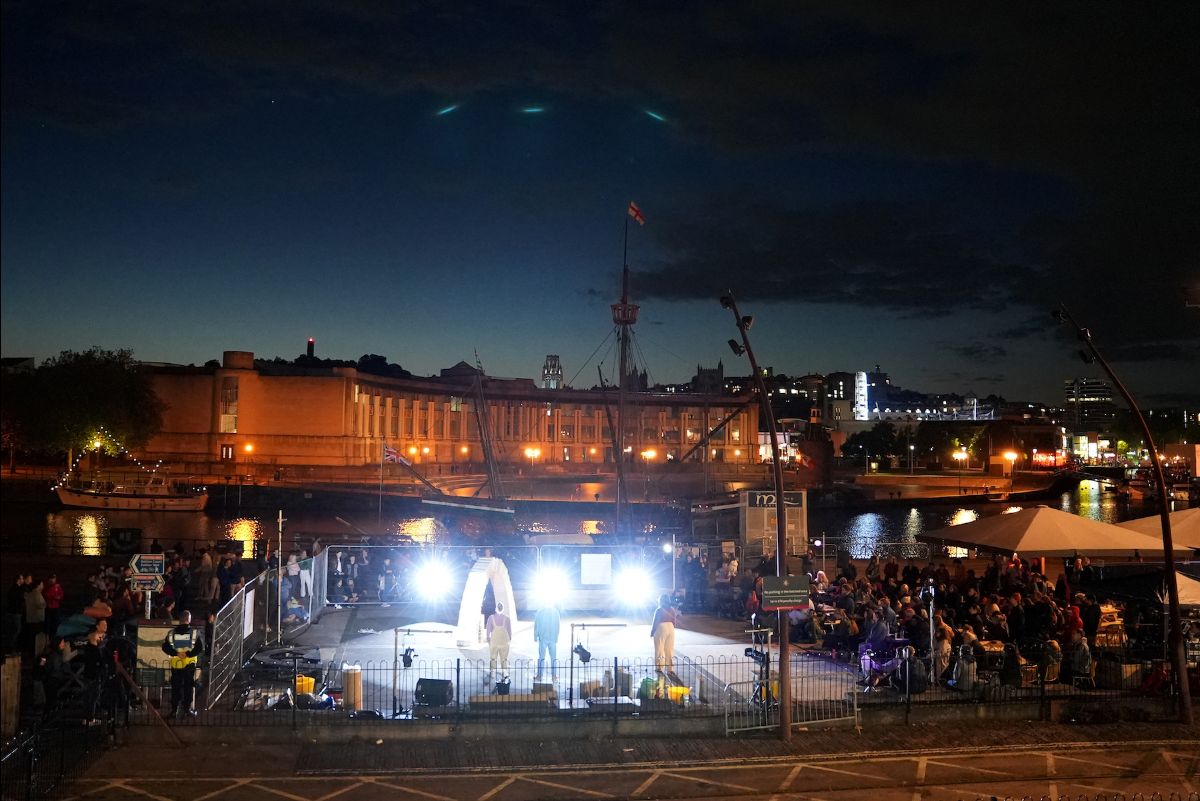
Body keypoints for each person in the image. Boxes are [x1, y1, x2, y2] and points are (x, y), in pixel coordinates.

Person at [161, 609, 204, 718]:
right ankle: (187, 709)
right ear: (188, 620)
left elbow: (165, 647)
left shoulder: (171, 633)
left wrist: (176, 653)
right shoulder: (194, 633)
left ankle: (174, 710)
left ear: (179, 620)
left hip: (176, 665)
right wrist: (188, 654)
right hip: (189, 665)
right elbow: (200, 648)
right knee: (188, 688)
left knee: (176, 688)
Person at [651, 593, 680, 670]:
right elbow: (674, 621)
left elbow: (655, 621)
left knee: (659, 648)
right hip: (670, 627)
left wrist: (652, 631)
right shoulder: (672, 609)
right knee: (669, 649)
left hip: (661, 627)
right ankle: (670, 668)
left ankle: (659, 667)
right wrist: (672, 628)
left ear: (660, 601)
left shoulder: (659, 610)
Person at [533, 602, 561, 680]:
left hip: (543, 638)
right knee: (553, 658)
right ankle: (554, 676)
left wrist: (536, 636)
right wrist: (556, 637)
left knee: (541, 657)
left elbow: (536, 625)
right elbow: (558, 625)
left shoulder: (540, 612)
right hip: (552, 638)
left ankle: (539, 676)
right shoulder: (555, 612)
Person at [486, 601, 512, 681]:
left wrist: (488, 638)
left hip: (494, 641)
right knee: (504, 658)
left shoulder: (491, 618)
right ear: (502, 609)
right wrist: (509, 639)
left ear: (496, 609)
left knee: (493, 657)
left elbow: (488, 629)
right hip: (504, 642)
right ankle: (505, 672)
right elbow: (509, 631)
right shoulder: (507, 619)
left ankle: (493, 672)